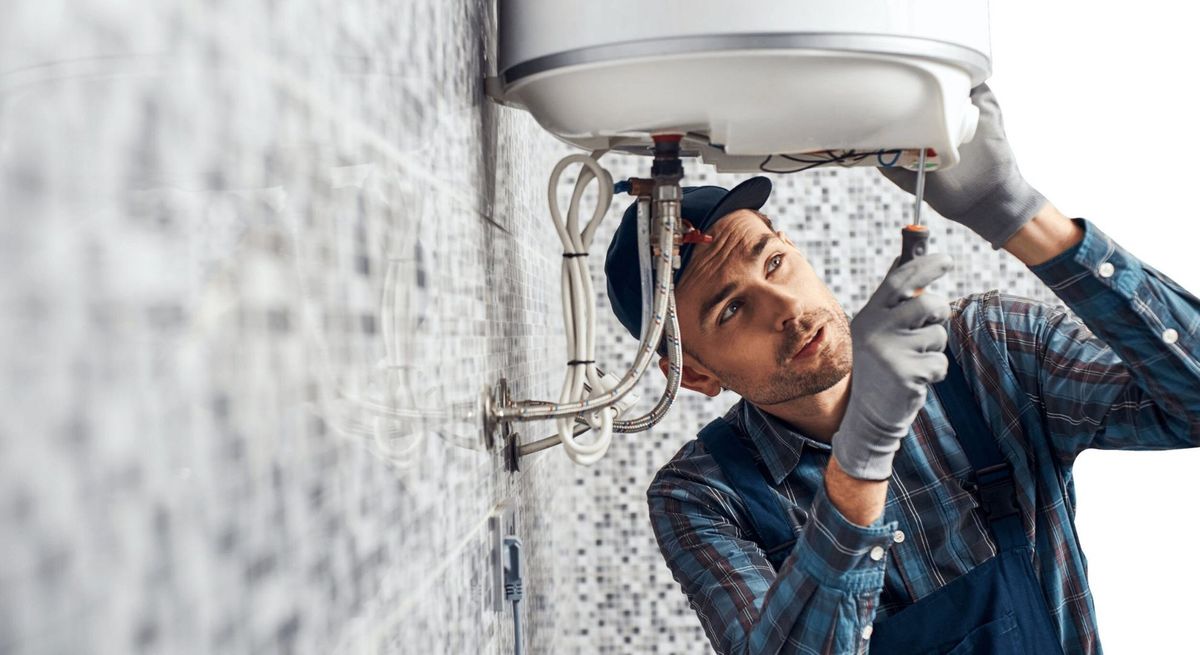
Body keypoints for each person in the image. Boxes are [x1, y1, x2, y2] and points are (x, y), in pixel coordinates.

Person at [601, 85, 1200, 654]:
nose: (784, 307)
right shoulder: (704, 496)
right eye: (731, 309)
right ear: (696, 373)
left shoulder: (985, 350)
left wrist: (1017, 215)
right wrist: (861, 457)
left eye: (775, 262)